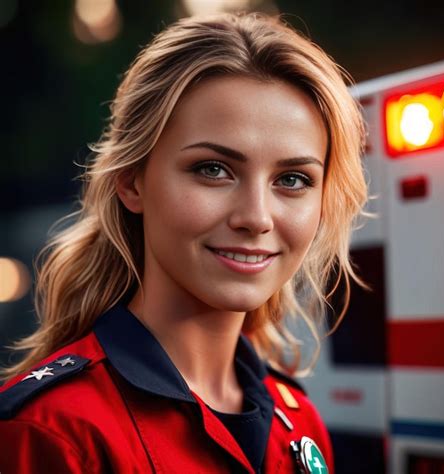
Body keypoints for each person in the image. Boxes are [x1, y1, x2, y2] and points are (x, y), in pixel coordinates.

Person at [0, 11, 367, 474]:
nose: (256, 217)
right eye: (213, 169)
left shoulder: (301, 425)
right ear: (131, 181)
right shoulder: (52, 432)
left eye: (292, 179)